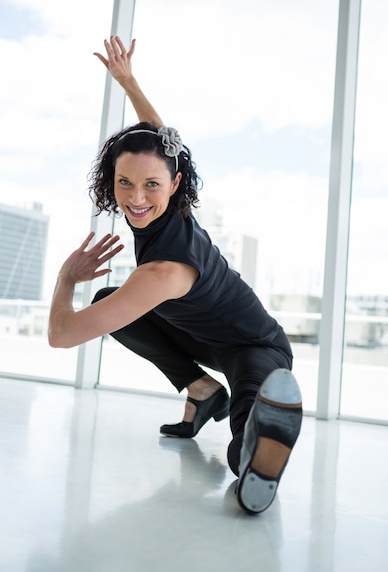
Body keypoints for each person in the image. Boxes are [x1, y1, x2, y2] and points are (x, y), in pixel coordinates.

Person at [48, 36, 303, 514]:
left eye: (150, 185)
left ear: (174, 183)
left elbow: (61, 335)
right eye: (124, 182)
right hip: (200, 335)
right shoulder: (173, 211)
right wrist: (127, 81)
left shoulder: (164, 270)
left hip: (255, 347)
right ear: (110, 180)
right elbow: (163, 140)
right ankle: (203, 389)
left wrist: (65, 278)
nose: (136, 198)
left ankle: (252, 465)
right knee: (110, 295)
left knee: (248, 423)